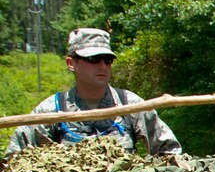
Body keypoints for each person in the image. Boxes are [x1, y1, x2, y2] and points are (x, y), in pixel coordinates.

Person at [5, 28, 181, 157]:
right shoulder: (52, 110)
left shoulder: (130, 104)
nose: (102, 66)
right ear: (71, 63)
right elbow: (14, 160)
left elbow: (169, 152)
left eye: (108, 59)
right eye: (93, 59)